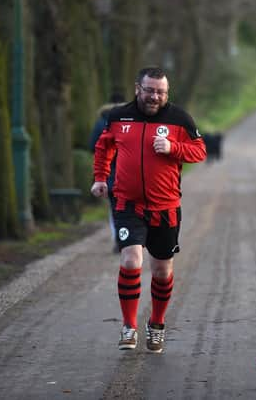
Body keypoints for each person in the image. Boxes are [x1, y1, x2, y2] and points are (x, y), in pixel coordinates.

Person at [91, 67, 206, 352]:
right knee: (131, 260)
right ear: (137, 89)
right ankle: (129, 327)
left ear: (167, 93)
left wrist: (173, 147)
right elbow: (103, 148)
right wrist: (100, 178)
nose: (155, 96)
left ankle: (156, 324)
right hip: (127, 205)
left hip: (165, 207)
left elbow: (199, 151)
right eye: (150, 90)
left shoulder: (179, 119)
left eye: (161, 92)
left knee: (162, 271)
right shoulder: (118, 117)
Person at [89, 92, 125, 252]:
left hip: (108, 173)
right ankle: (127, 239)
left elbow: (92, 146)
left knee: (115, 208)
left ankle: (119, 239)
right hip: (128, 173)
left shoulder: (101, 122)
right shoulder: (130, 121)